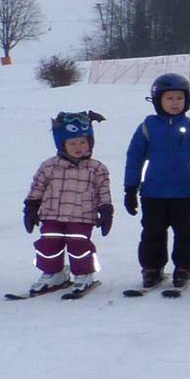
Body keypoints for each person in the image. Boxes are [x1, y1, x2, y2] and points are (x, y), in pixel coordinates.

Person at [122, 73, 190, 293]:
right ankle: (152, 267)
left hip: (185, 192)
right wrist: (130, 189)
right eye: (169, 98)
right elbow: (134, 159)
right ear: (158, 101)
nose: (175, 103)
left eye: (179, 98)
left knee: (186, 231)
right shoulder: (147, 127)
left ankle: (184, 266)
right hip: (153, 192)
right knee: (152, 231)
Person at [21, 111, 113, 296]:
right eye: (72, 143)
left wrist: (106, 211)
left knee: (79, 245)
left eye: (83, 142)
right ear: (62, 145)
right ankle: (53, 273)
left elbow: (103, 190)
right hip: (51, 215)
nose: (78, 147)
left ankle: (84, 274)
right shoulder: (49, 166)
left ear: (90, 142)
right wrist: (31, 208)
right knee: (48, 245)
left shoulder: (96, 168)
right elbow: (37, 187)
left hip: (82, 216)